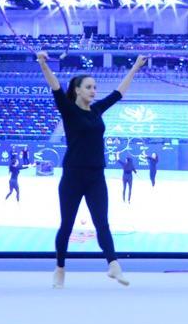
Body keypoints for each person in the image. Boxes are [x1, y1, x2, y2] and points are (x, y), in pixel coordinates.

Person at [37, 51, 148, 289]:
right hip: (73, 176)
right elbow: (55, 86)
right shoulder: (68, 110)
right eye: (88, 87)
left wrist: (136, 66)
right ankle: (60, 268)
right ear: (77, 90)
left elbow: (119, 93)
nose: (93, 90)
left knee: (102, 223)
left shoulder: (97, 110)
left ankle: (114, 265)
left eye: (95, 87)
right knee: (66, 225)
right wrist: (43, 64)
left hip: (96, 176)